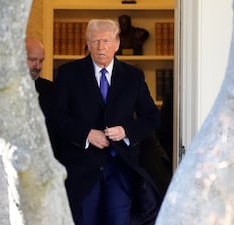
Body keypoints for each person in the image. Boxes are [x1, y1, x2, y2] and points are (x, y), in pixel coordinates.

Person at [51, 19, 161, 225]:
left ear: (117, 43)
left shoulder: (133, 76)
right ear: (87, 43)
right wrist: (86, 134)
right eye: (95, 41)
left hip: (120, 167)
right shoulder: (68, 73)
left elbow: (152, 117)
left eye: (106, 41)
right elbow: (56, 117)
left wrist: (125, 131)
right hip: (82, 170)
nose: (101, 47)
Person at [25, 38, 57, 151]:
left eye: (41, 61)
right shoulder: (5, 89)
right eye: (33, 60)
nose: (38, 66)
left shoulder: (52, 90)